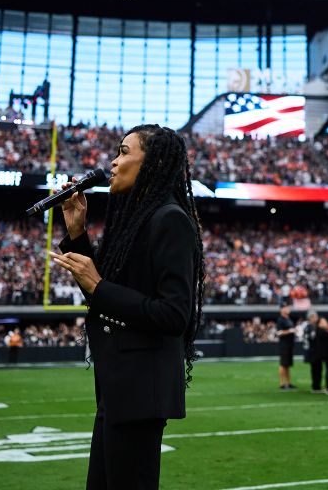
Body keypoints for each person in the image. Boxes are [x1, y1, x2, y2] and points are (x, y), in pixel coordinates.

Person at [50, 124, 205, 490]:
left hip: (141, 392)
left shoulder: (170, 219)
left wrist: (100, 286)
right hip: (118, 387)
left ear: (151, 163)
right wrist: (76, 233)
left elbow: (173, 315)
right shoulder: (133, 221)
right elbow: (100, 295)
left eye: (123, 152)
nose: (113, 163)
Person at [308, 312, 328, 395]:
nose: (326, 323)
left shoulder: (321, 330)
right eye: (324, 322)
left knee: (323, 371)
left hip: (323, 354)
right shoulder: (321, 331)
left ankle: (322, 387)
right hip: (327, 354)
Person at [275, 305, 297, 391]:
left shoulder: (288, 319)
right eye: (286, 308)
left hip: (289, 344)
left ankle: (288, 383)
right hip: (284, 345)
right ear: (282, 310)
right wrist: (289, 331)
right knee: (283, 364)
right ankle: (282, 384)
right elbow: (279, 333)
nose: (288, 309)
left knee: (287, 365)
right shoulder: (280, 320)